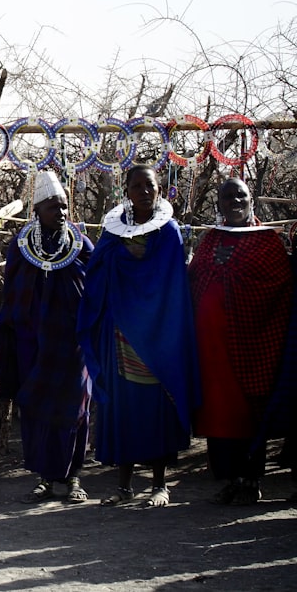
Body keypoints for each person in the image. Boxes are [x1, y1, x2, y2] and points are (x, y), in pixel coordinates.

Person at [78, 164, 200, 508]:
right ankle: (123, 485)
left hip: (158, 336)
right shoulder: (113, 233)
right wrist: (120, 254)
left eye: (150, 185)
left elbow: (171, 283)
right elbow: (96, 270)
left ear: (159, 190)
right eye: (136, 186)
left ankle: (159, 485)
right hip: (120, 336)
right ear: (126, 191)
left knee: (157, 410)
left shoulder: (169, 233)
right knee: (124, 411)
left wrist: (133, 259)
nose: (144, 191)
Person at [189, 178, 293, 505]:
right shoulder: (209, 241)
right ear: (218, 204)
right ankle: (231, 479)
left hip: (250, 347)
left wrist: (233, 289)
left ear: (251, 200)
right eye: (227, 196)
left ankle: (250, 480)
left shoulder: (267, 242)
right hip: (211, 352)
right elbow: (195, 280)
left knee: (247, 415)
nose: (235, 200)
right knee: (218, 415)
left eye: (241, 195)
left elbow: (278, 288)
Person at [0, 171, 94, 504]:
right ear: (37, 209)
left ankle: (74, 477)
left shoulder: (80, 242)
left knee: (76, 410)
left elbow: (93, 283)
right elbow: (13, 293)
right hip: (33, 344)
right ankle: (44, 477)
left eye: (64, 206)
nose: (61, 213)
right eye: (53, 207)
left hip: (73, 346)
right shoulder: (22, 246)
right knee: (37, 409)